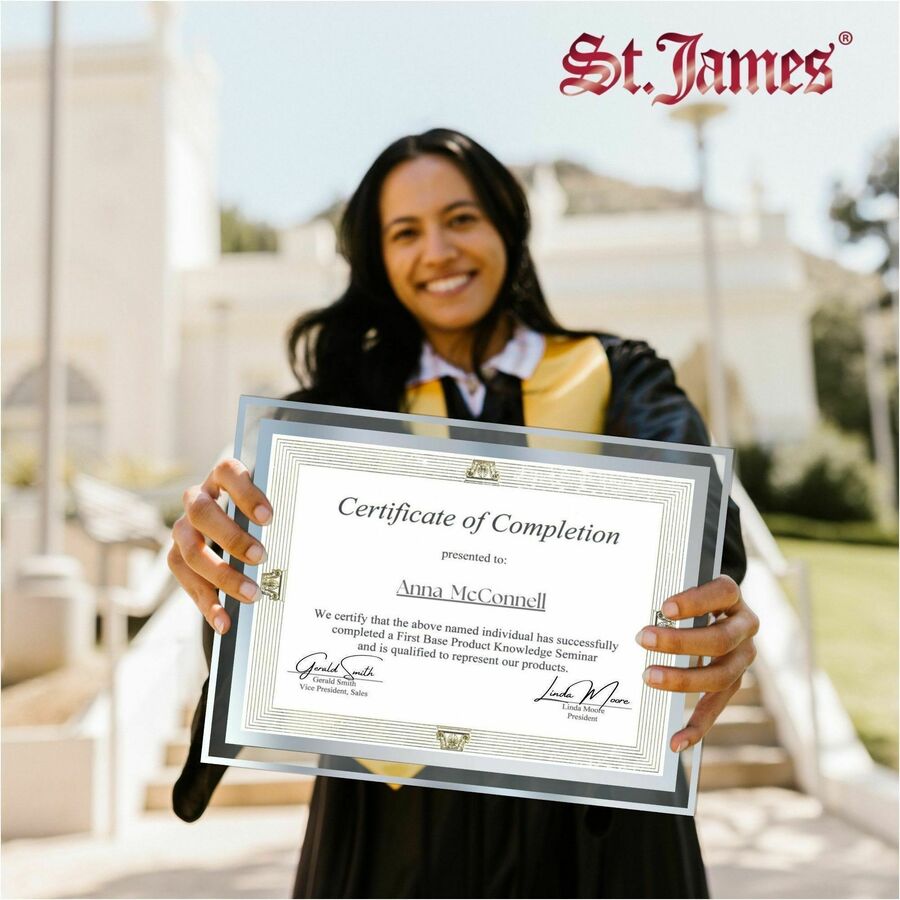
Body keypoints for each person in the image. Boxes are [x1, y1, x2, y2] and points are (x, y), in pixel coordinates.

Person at [169, 128, 758, 898]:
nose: (438, 250)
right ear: (378, 259)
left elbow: (700, 525)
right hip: (393, 832)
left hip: (597, 835)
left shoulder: (618, 378)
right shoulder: (326, 419)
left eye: (462, 219)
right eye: (405, 232)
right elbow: (258, 620)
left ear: (508, 227)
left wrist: (715, 614)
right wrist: (215, 564)